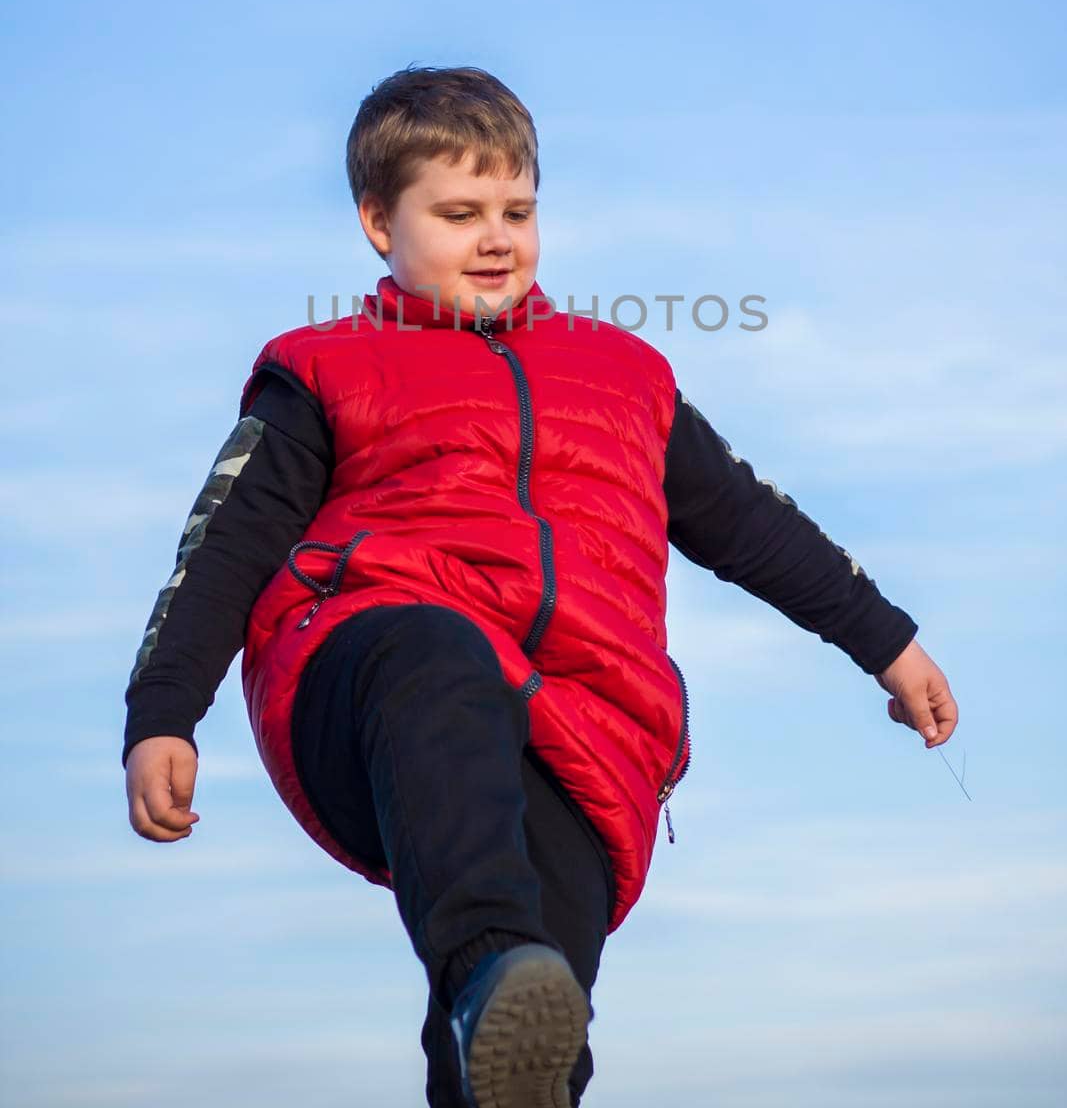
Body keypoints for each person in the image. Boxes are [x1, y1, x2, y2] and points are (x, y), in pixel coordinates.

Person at [122, 64, 959, 1108]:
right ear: (379, 223)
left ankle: (501, 1022)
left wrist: (885, 639)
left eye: (516, 210)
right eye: (459, 212)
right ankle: (482, 962)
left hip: (581, 725)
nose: (495, 238)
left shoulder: (622, 376)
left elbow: (748, 523)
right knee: (434, 651)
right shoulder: (324, 368)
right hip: (375, 678)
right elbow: (226, 547)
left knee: (533, 1024)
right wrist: (164, 713)